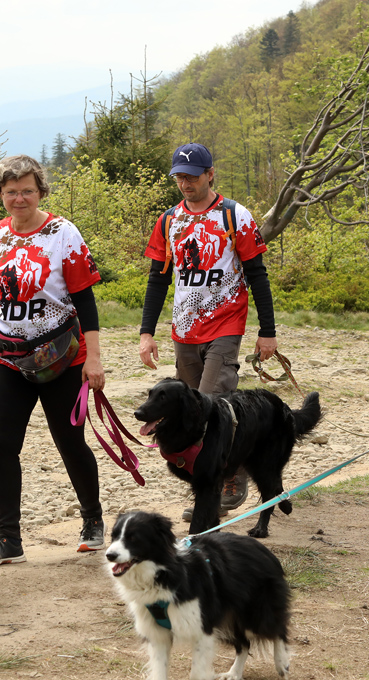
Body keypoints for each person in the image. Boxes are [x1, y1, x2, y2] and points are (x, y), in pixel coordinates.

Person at [0, 154, 106, 566]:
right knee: (0, 443)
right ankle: (8, 539)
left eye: (27, 190)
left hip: (60, 354)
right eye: (11, 191)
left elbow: (85, 299)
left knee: (69, 440)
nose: (19, 198)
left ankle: (93, 519)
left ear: (40, 191)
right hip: (6, 355)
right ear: (0, 194)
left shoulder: (63, 233)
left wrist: (94, 358)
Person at [138, 142, 278, 520]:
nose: (186, 184)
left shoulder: (235, 216)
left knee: (214, 404)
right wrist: (146, 333)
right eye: (179, 177)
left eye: (193, 176)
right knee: (191, 413)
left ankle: (228, 480)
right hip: (184, 329)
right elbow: (158, 279)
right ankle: (209, 480)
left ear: (210, 174)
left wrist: (267, 331)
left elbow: (257, 274)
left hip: (226, 323)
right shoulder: (168, 221)